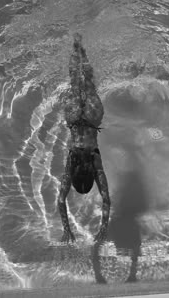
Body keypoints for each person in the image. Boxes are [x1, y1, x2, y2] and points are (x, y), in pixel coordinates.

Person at [58, 33, 111, 243]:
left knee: (87, 81)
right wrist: (66, 229)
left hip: (92, 118)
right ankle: (76, 45)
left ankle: (83, 48)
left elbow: (106, 199)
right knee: (74, 81)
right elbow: (61, 200)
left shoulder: (95, 163)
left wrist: (103, 230)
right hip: (74, 120)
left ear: (89, 178)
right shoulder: (70, 165)